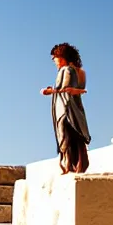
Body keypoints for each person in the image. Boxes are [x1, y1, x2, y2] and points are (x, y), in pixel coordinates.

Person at [40, 43, 91, 174]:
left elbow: (65, 89)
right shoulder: (80, 71)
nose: (55, 62)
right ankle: (75, 165)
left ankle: (69, 165)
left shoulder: (66, 70)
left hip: (66, 108)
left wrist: (49, 91)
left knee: (67, 135)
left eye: (55, 58)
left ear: (61, 56)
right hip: (74, 108)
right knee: (74, 136)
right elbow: (78, 89)